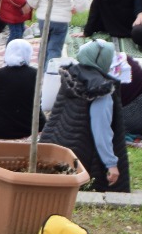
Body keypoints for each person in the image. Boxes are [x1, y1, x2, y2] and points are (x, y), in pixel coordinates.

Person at [40, 40, 129, 192]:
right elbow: (101, 129)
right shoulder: (100, 90)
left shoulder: (73, 74)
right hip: (79, 159)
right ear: (101, 60)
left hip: (51, 149)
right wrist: (111, 164)